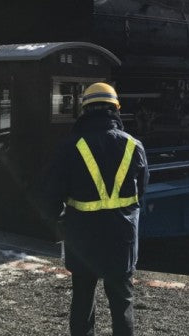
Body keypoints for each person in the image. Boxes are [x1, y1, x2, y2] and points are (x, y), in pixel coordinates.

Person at [40, 82, 149, 336]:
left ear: (85, 110)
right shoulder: (134, 146)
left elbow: (51, 195)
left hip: (83, 237)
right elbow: (140, 192)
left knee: (82, 302)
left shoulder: (70, 147)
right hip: (122, 238)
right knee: (122, 304)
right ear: (116, 109)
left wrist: (57, 221)